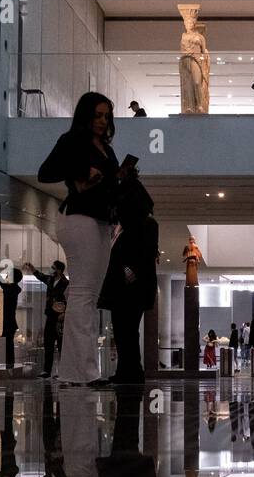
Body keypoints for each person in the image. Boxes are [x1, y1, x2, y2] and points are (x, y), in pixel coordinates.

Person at [38, 91, 120, 387]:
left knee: (87, 297)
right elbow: (46, 172)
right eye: (97, 115)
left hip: (100, 219)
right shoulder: (72, 141)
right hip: (80, 218)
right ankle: (80, 372)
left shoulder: (106, 148)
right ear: (86, 115)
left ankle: (80, 371)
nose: (102, 121)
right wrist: (84, 172)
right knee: (83, 296)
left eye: (106, 116)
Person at [98, 173, 158, 385]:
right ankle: (129, 370)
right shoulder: (141, 225)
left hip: (129, 286)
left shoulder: (139, 227)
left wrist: (127, 270)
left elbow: (141, 254)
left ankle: (130, 371)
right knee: (126, 331)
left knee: (126, 330)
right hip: (130, 286)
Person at [25, 260, 69, 378]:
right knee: (48, 344)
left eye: (53, 268)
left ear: (59, 270)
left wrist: (65, 312)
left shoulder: (66, 283)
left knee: (61, 345)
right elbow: (41, 276)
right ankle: (47, 370)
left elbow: (69, 299)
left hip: (60, 318)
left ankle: (64, 371)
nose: (51, 269)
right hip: (50, 315)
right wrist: (32, 268)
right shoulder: (50, 280)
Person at [0, 252, 22, 370]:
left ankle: (9, 366)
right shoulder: (13, 288)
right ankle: (9, 366)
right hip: (9, 322)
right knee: (8, 345)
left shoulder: (11, 288)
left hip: (7, 322)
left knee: (8, 346)